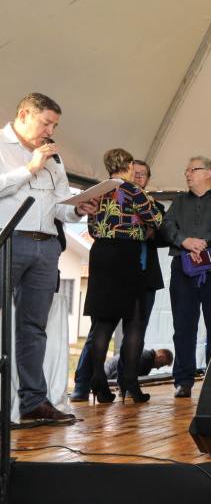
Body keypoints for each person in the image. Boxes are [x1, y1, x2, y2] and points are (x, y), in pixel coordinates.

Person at [0, 93, 98, 421]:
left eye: (55, 125)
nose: (50, 130)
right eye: (46, 123)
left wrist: (77, 209)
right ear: (24, 115)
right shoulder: (2, 146)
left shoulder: (53, 157)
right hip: (9, 242)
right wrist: (29, 168)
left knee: (33, 326)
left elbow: (58, 204)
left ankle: (32, 403)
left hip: (47, 246)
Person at [70, 159, 166, 402]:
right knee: (134, 324)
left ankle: (98, 379)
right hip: (127, 259)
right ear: (128, 168)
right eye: (136, 170)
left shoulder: (98, 191)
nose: (137, 175)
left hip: (101, 255)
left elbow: (92, 228)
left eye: (142, 173)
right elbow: (156, 220)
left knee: (102, 325)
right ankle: (129, 381)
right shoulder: (133, 190)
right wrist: (144, 224)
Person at [160, 156, 211, 397]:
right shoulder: (179, 201)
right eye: (186, 170)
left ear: (208, 173)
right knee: (183, 326)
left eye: (192, 169)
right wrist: (185, 241)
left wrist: (203, 242)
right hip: (182, 268)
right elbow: (166, 226)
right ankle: (184, 380)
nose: (187, 174)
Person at [104, 349, 173, 380]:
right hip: (109, 372)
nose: (158, 368)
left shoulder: (146, 357)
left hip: (108, 369)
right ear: (159, 356)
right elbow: (121, 373)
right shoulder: (146, 359)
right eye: (161, 364)